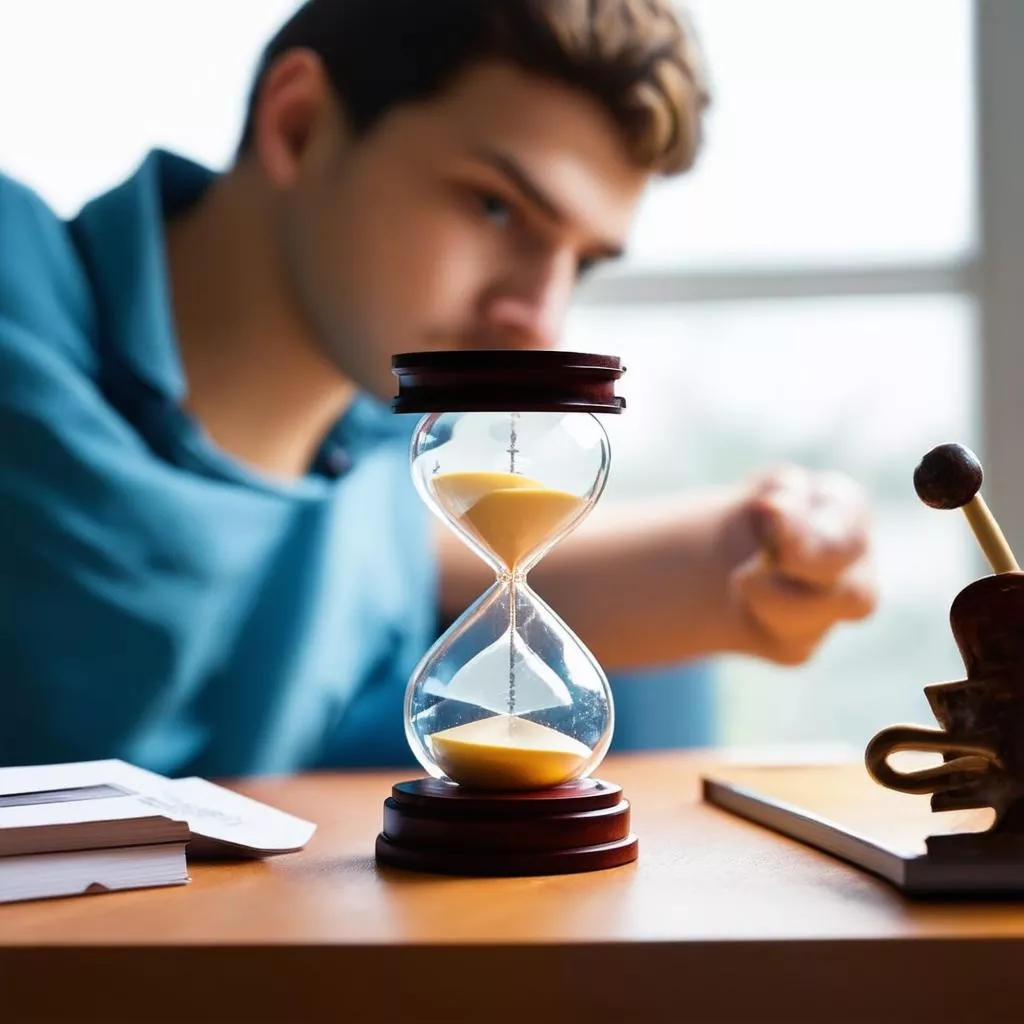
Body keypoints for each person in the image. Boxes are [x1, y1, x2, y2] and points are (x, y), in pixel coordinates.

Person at [0, 0, 875, 777]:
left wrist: (776, 548)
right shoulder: (23, 302)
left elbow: (460, 557)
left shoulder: (384, 451)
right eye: (496, 206)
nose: (539, 317)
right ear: (300, 124)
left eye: (584, 260)